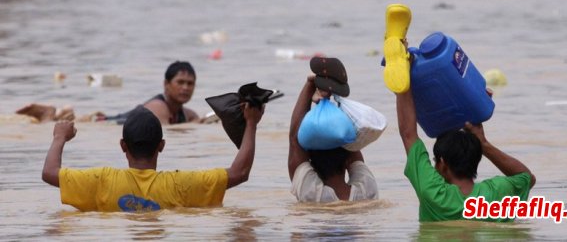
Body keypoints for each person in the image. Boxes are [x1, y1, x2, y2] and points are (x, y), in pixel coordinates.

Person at [384, 20, 536, 222]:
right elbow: (527, 178)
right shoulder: (497, 195)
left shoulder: (434, 195)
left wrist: (402, 79)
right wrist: (484, 144)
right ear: (477, 158)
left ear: (443, 164)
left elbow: (408, 133)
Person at [41, 104, 263, 211]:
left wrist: (59, 137)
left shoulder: (102, 180)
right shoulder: (181, 184)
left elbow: (49, 173)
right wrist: (251, 123)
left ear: (122, 146)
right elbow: (239, 173)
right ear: (162, 146)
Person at [288, 57, 378, 202]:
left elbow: (294, 139)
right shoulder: (367, 191)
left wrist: (310, 84)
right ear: (347, 160)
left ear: (311, 163)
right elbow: (352, 143)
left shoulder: (312, 195)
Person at [16, 61, 202, 125]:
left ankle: (54, 115)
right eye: (180, 82)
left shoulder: (186, 113)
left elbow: (194, 122)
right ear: (166, 85)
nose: (185, 88)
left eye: (190, 84)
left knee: (68, 119)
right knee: (55, 125)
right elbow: (165, 130)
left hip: (104, 120)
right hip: (107, 123)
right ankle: (48, 117)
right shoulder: (158, 107)